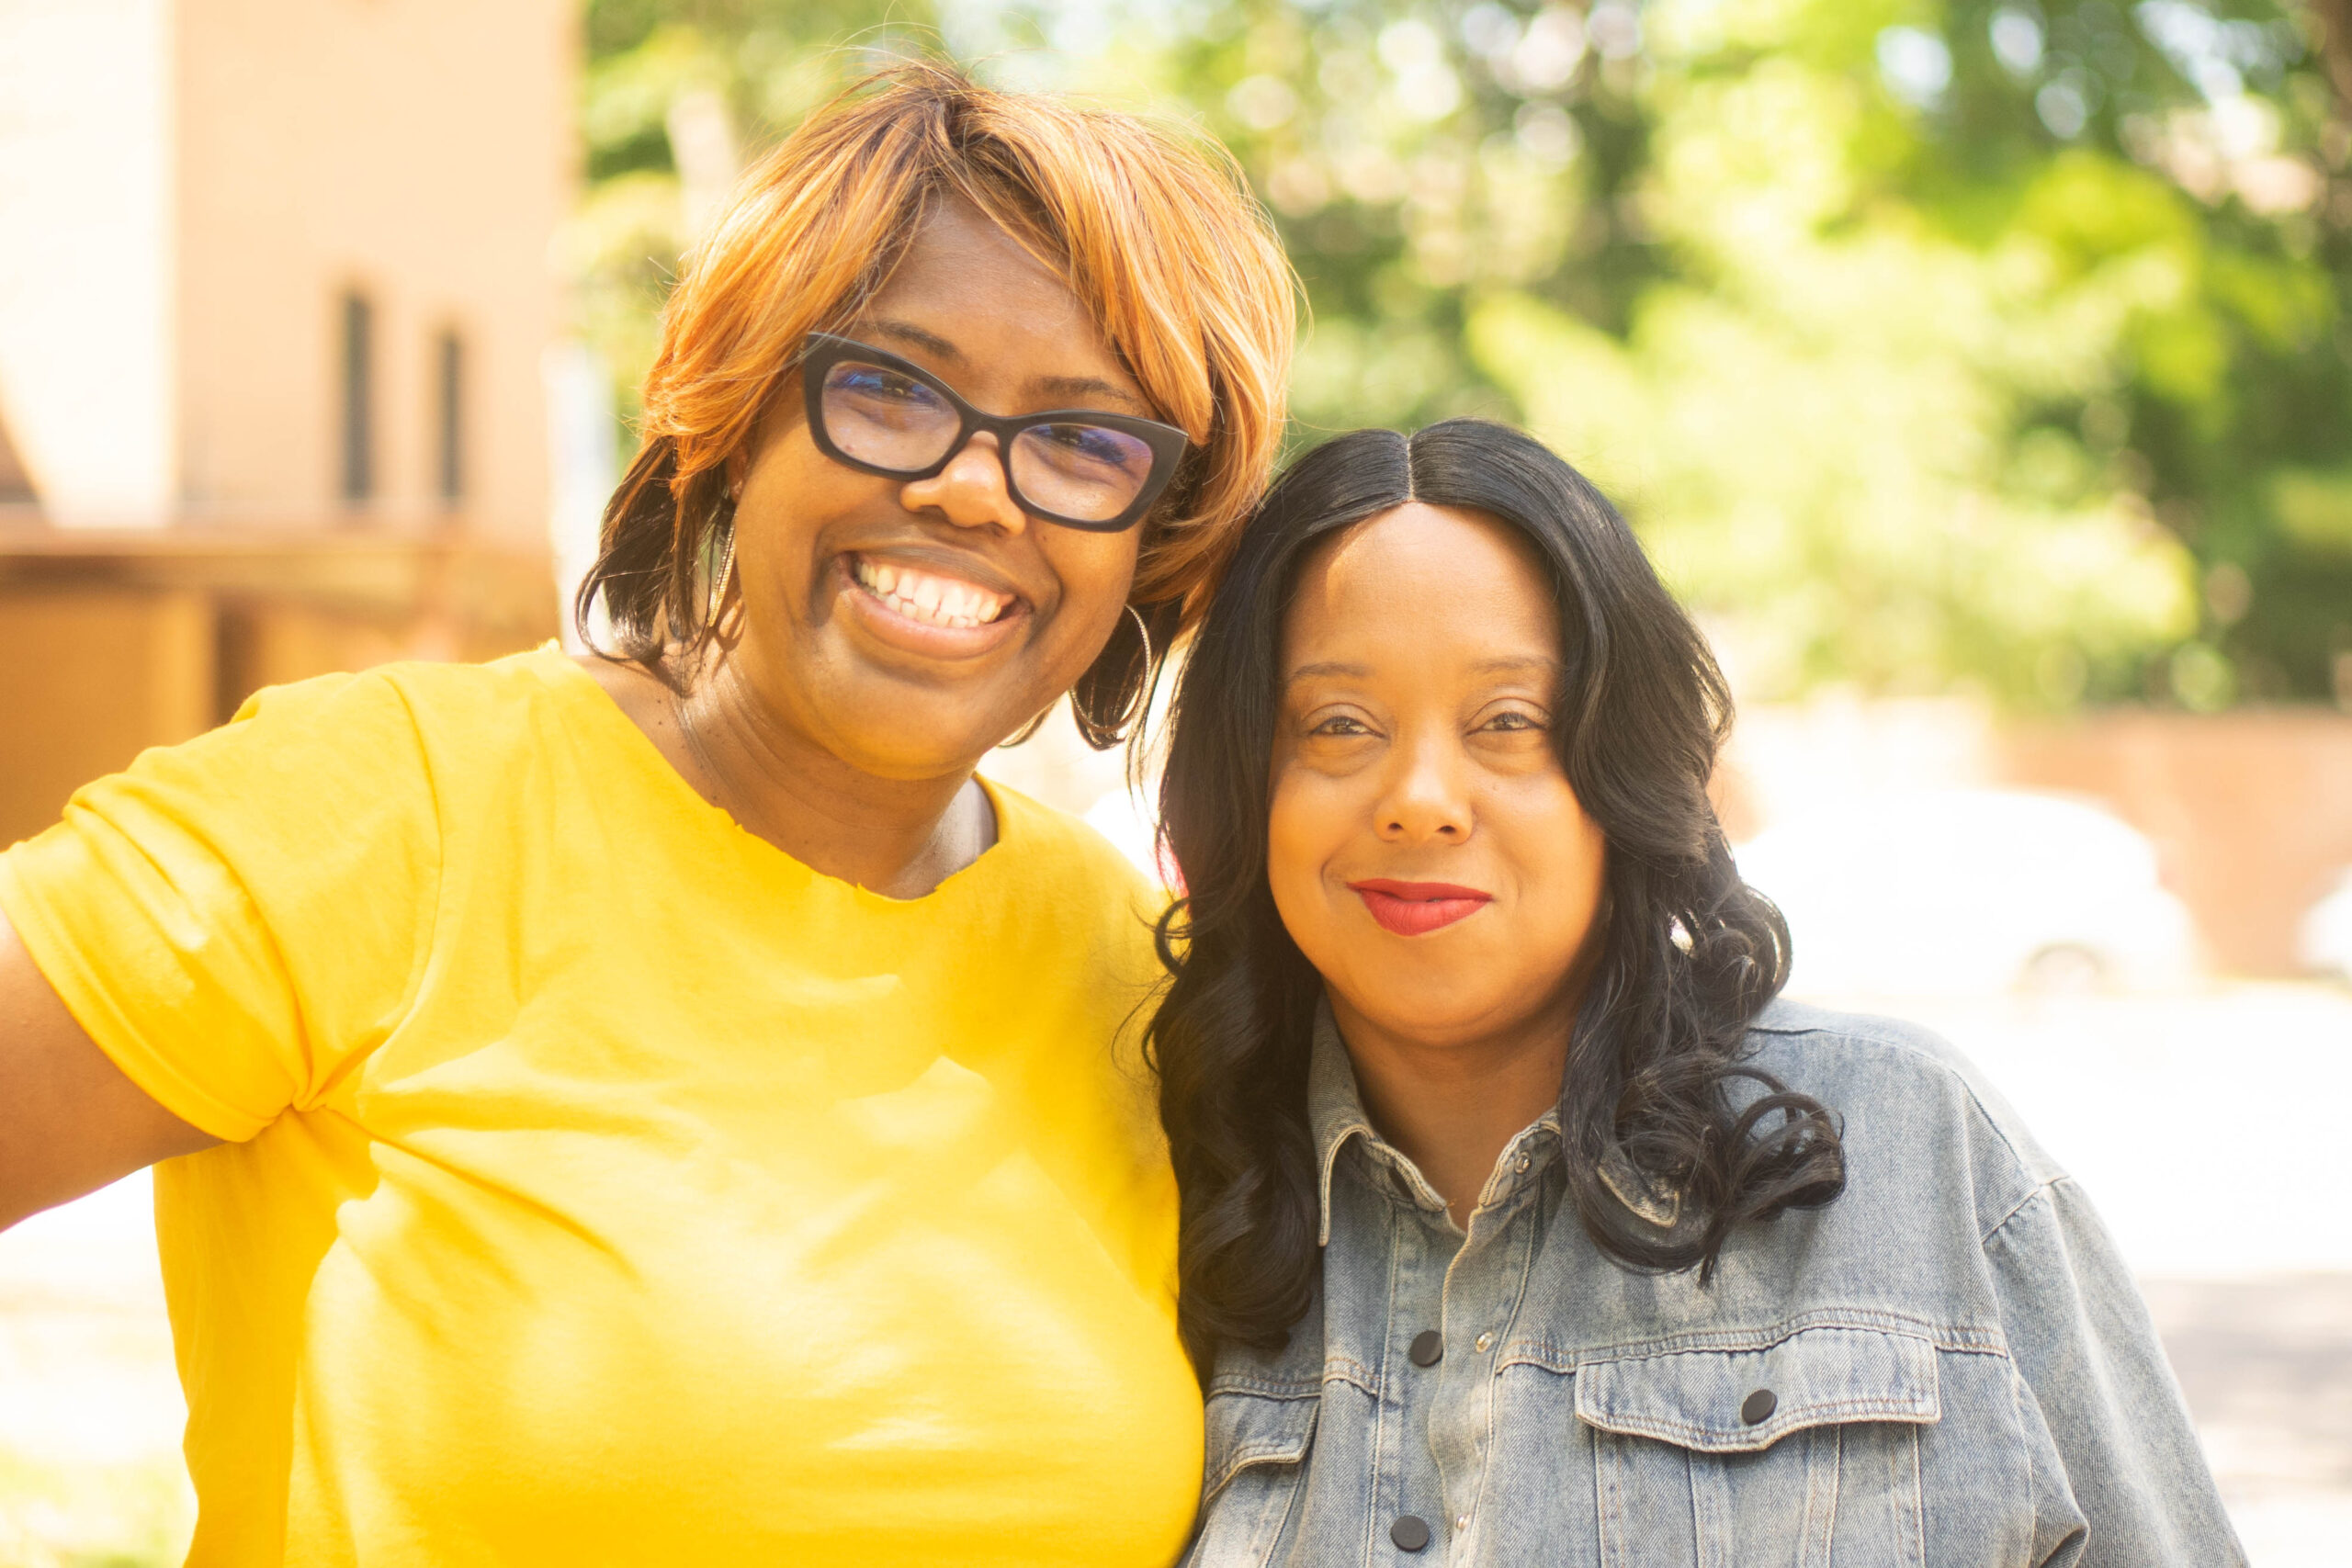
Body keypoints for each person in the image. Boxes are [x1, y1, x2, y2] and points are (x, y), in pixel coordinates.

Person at [0, 65, 1292, 1564]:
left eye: (1084, 440)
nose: (971, 487)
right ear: (745, 421)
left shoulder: (1144, 979)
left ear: (1152, 538)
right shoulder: (397, 812)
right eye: (888, 386)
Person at [1148, 421, 2245, 1566]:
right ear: (1246, 782)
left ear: (1619, 771)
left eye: (1509, 724)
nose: (1420, 800)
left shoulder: (1915, 1154)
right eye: (1338, 725)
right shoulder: (1160, 1190)